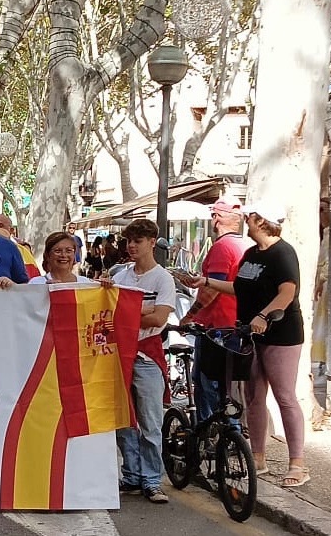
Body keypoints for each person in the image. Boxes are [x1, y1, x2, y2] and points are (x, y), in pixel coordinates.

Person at [181, 202, 308, 488]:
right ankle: (258, 457)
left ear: (261, 221)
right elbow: (238, 287)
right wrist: (206, 282)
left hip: (280, 334)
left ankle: (298, 463)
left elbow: (287, 292)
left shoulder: (283, 253)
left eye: (249, 218)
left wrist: (264, 315)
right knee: (253, 395)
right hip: (249, 333)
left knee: (284, 396)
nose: (245, 222)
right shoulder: (251, 254)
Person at [106, 218, 174, 505]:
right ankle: (132, 475)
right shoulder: (120, 276)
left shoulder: (163, 279)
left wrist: (126, 315)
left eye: (138, 241)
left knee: (150, 421)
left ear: (151, 243)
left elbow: (159, 318)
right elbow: (107, 310)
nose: (132, 246)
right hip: (120, 353)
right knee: (123, 419)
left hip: (147, 354)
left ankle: (152, 479)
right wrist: (139, 312)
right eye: (129, 241)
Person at [178, 198, 251, 422]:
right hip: (236, 324)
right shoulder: (244, 245)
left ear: (216, 218)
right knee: (227, 386)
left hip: (215, 327)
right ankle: (231, 430)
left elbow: (212, 289)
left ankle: (210, 432)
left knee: (206, 384)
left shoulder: (221, 247)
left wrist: (189, 316)